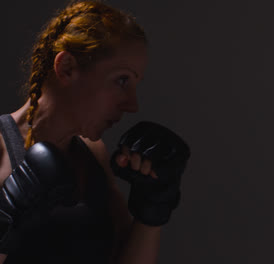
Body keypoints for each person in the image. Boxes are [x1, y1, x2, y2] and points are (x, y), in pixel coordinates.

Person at [0, 0, 190, 263]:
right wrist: (6, 217)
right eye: (122, 80)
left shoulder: (92, 152)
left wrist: (153, 211)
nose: (132, 105)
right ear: (66, 68)